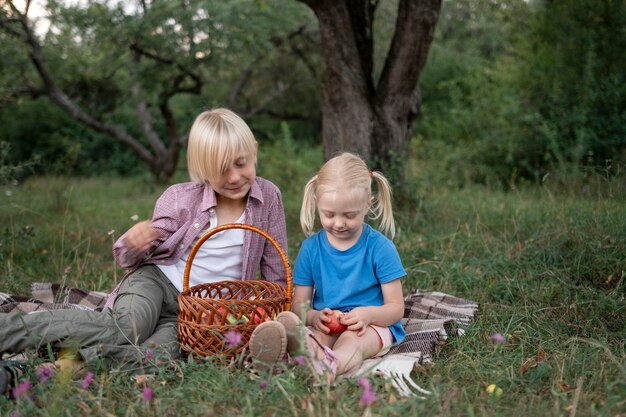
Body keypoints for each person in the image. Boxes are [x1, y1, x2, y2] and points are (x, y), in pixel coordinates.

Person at [0, 108, 288, 396]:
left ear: (255, 152)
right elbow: (129, 259)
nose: (235, 176)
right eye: (222, 169)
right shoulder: (180, 198)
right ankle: (7, 331)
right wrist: (135, 242)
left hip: (198, 315)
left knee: (157, 354)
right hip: (157, 282)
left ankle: (44, 373)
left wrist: (272, 313)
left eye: (242, 164)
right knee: (128, 325)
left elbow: (276, 272)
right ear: (203, 170)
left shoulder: (269, 197)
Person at [249, 152, 405, 378]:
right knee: (313, 336)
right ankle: (293, 352)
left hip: (371, 326)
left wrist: (369, 315)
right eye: (329, 214)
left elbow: (395, 308)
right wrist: (313, 317)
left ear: (367, 205)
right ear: (317, 204)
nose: (339, 223)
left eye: (350, 215)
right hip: (327, 323)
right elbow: (300, 304)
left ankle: (329, 368)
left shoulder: (380, 248)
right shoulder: (311, 249)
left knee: (353, 343)